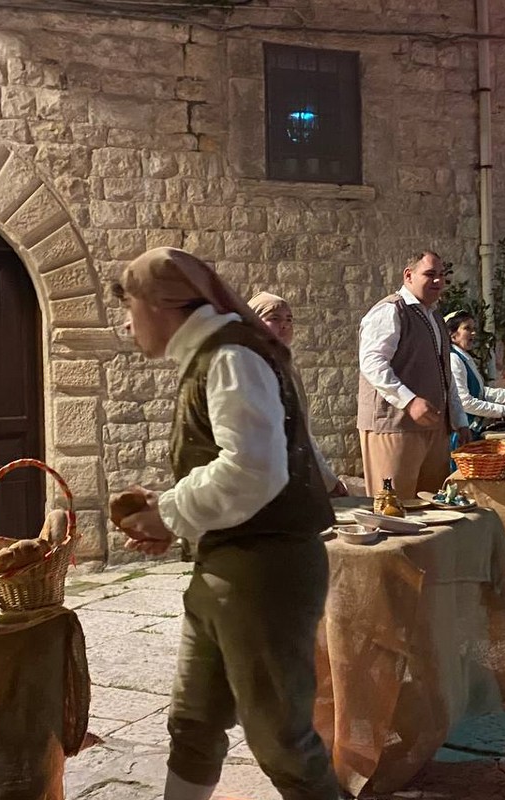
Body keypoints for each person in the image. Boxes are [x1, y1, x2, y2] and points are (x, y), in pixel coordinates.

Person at [110, 248, 338, 800]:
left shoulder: (231, 357)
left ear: (162, 304)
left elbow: (253, 470)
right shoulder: (214, 356)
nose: (126, 324)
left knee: (281, 738)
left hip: (264, 571)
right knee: (194, 722)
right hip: (228, 567)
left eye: (130, 307)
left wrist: (170, 513)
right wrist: (169, 514)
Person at [357, 251, 469, 499]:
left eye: (441, 275)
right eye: (429, 274)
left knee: (433, 507)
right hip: (394, 427)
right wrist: (409, 401)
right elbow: (372, 363)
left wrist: (459, 420)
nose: (438, 281)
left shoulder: (435, 317)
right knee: (393, 505)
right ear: (408, 275)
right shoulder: (390, 311)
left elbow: (444, 373)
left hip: (435, 429)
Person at [247, 291, 348, 497]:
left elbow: (301, 431)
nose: (284, 325)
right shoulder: (251, 367)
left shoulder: (286, 366)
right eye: (274, 318)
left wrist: (327, 479)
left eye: (288, 320)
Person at [443, 309, 505, 449]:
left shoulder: (464, 358)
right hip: (461, 435)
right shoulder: (454, 360)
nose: (473, 333)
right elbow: (465, 402)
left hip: (472, 431)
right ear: (453, 335)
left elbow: (480, 391)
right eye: (467, 329)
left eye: (473, 329)